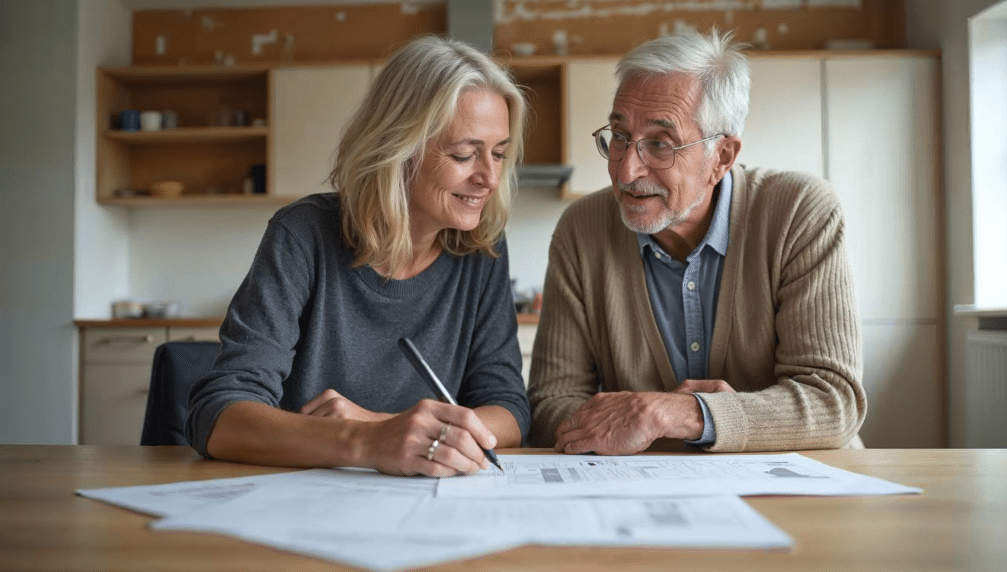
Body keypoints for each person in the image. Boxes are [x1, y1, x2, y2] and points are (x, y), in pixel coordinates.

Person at [186, 35, 530, 477]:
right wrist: (366, 441)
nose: (488, 178)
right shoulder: (303, 234)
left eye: (499, 154)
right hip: (299, 499)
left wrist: (387, 426)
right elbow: (219, 417)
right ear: (398, 148)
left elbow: (510, 412)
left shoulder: (484, 250)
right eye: (463, 154)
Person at [527, 29, 866, 454]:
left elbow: (833, 401)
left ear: (721, 157)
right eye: (619, 137)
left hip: (805, 489)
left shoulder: (798, 211)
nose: (627, 170)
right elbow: (547, 407)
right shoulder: (582, 229)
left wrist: (686, 415)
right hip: (649, 491)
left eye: (660, 144)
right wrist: (644, 421)